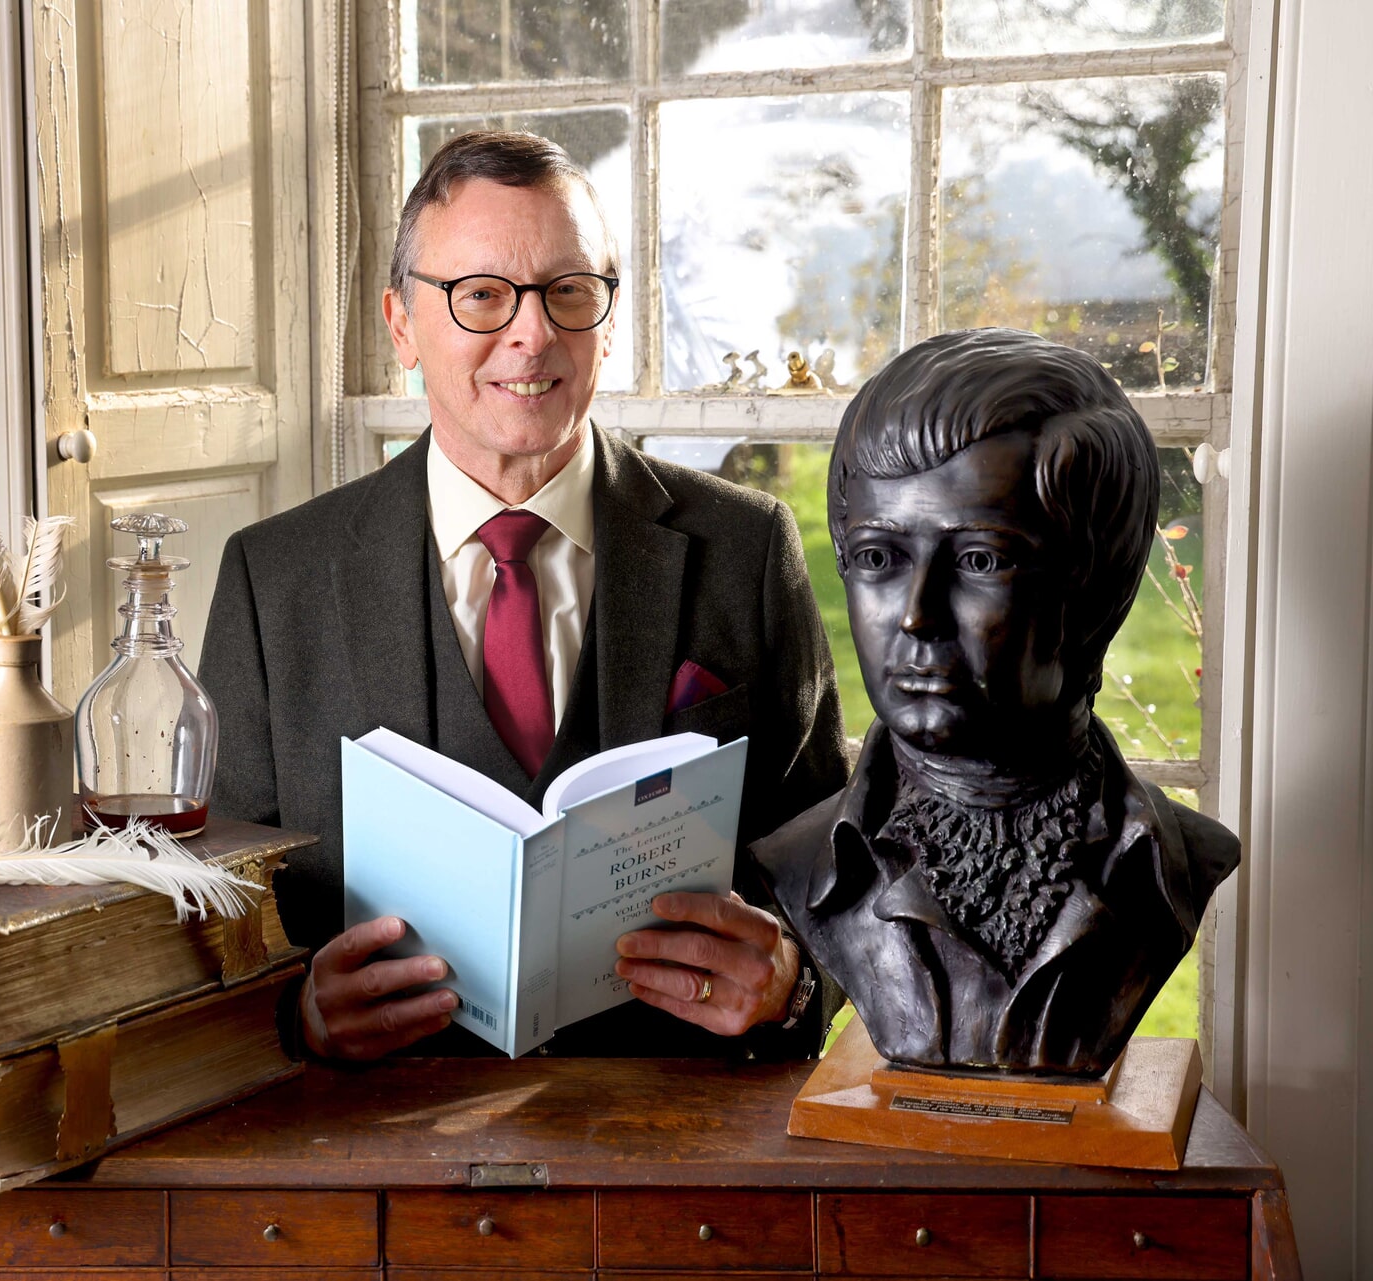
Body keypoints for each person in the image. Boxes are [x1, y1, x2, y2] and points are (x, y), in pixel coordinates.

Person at [199, 131, 847, 1061]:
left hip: (679, 1146)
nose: (532, 333)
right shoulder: (275, 581)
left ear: (611, 318)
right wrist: (294, 1016)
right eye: (482, 296)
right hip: (376, 1153)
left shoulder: (745, 548)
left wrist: (790, 984)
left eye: (568, 291)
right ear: (400, 325)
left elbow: (832, 881)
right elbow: (213, 928)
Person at [751, 328, 1240, 1076]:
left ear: (1096, 592)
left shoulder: (1171, 866)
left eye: (981, 559)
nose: (916, 616)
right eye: (878, 558)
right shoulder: (801, 863)